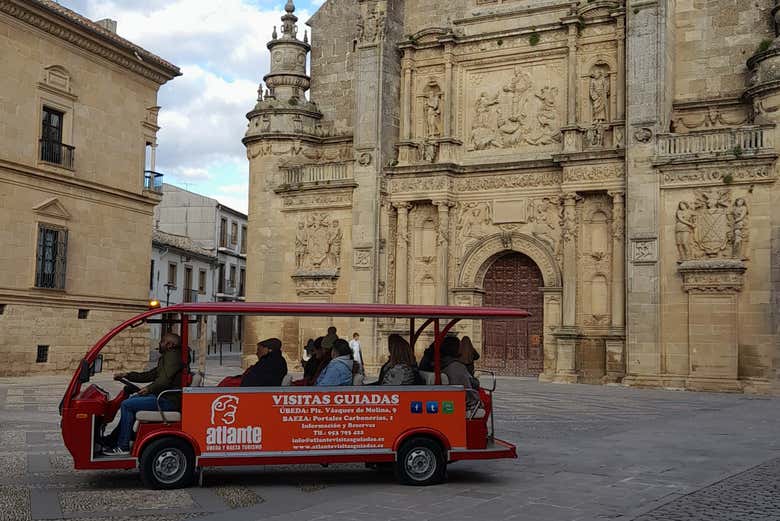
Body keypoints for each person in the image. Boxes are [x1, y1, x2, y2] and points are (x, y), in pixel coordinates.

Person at [104, 332, 184, 455]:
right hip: (163, 397)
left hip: (168, 401)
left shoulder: (173, 358)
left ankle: (123, 446)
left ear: (169, 345)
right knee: (133, 401)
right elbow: (150, 375)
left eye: (162, 341)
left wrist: (148, 389)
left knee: (127, 405)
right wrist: (128, 375)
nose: (159, 343)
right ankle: (116, 438)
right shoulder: (167, 357)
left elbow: (164, 380)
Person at [440, 336, 482, 415]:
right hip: (458, 401)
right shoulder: (456, 366)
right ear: (455, 348)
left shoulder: (441, 362)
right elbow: (468, 390)